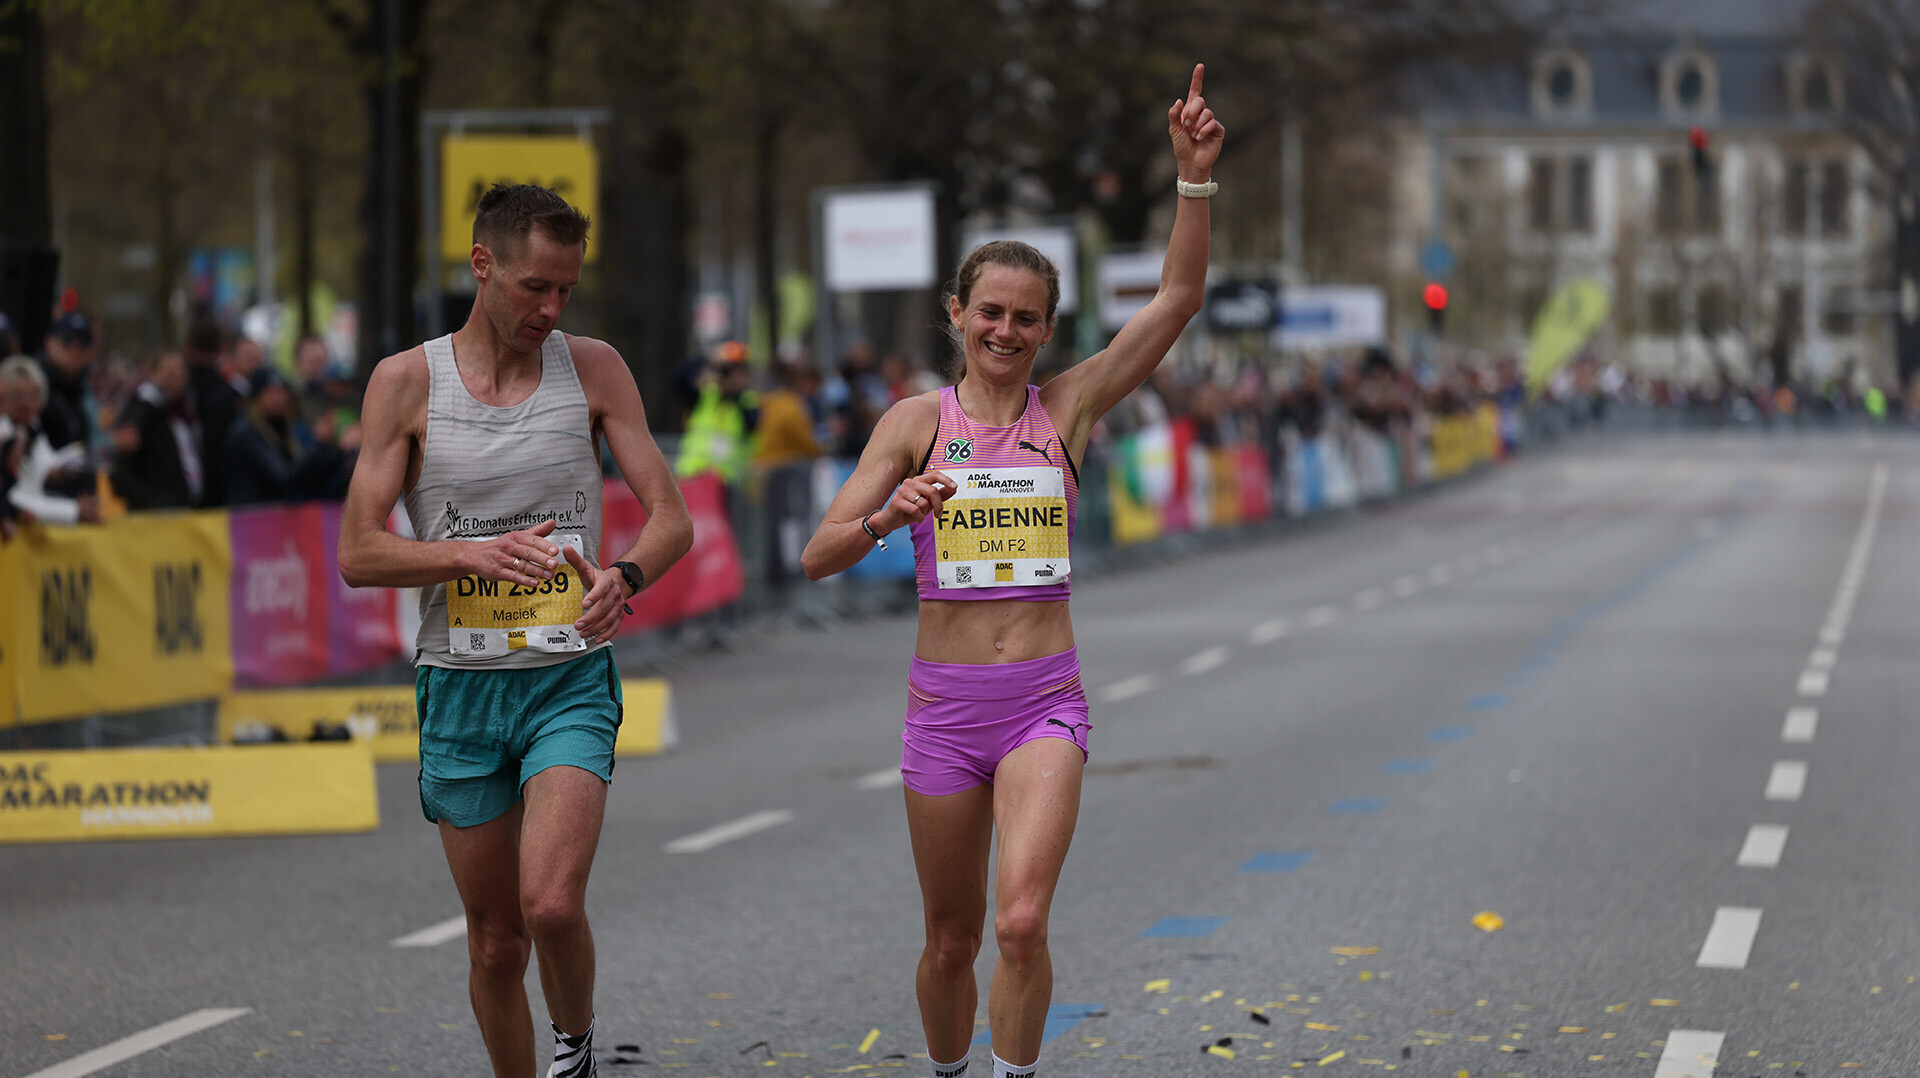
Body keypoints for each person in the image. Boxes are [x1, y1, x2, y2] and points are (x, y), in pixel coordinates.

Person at [800, 65, 1223, 1078]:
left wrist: (1194, 181)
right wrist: (885, 516)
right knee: (952, 940)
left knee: (1021, 920)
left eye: (1026, 318)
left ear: (1046, 329)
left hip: (1044, 699)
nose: (1005, 330)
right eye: (990, 310)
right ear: (957, 312)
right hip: (943, 707)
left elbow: (1177, 298)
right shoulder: (913, 423)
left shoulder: (1068, 408)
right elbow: (817, 554)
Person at [337, 182, 692, 1078]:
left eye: (567, 289)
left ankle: (574, 1046)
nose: (552, 308)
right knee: (497, 942)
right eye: (536, 286)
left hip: (566, 673)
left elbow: (670, 516)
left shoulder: (595, 368)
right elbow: (359, 551)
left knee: (551, 905)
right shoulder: (406, 383)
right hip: (457, 683)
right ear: (482, 265)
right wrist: (469, 558)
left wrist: (626, 575)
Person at [1, 355, 100, 539]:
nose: (27, 403)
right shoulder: (5, 435)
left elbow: (48, 467)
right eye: (18, 395)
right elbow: (15, 501)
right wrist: (73, 510)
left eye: (33, 395)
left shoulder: (32, 429)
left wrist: (57, 474)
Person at [226, 368, 347, 505]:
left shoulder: (285, 428)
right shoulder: (247, 432)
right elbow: (283, 477)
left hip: (275, 516)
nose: (278, 398)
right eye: (271, 392)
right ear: (258, 397)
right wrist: (318, 443)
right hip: (249, 518)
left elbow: (305, 475)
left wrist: (337, 452)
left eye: (282, 392)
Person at [109, 350, 205, 510]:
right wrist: (151, 501)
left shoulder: (182, 412)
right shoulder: (141, 412)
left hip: (185, 508)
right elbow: (120, 470)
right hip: (157, 515)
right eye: (169, 373)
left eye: (180, 371)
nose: (177, 379)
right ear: (153, 373)